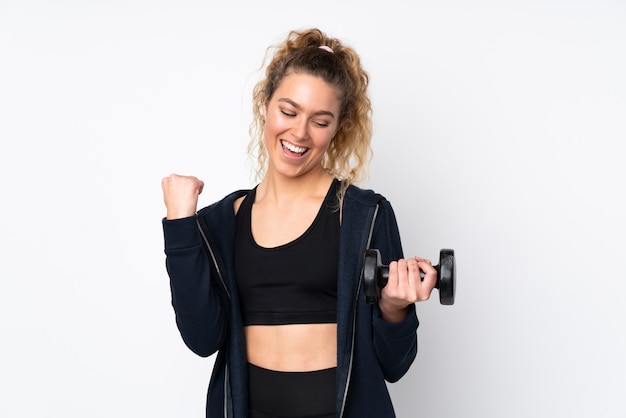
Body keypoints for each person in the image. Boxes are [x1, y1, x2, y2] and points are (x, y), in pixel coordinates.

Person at [161, 28, 437, 418]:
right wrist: (180, 226)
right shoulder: (220, 223)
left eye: (320, 121)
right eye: (288, 112)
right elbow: (202, 339)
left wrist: (395, 308)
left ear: (337, 128)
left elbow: (395, 365)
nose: (299, 133)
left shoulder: (365, 215)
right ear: (264, 105)